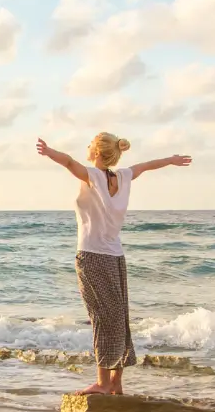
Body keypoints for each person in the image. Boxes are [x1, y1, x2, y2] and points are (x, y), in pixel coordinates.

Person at [36, 133, 192, 395]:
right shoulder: (124, 176)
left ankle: (102, 383)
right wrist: (172, 160)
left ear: (97, 152)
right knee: (118, 317)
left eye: (90, 145)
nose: (86, 148)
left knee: (101, 318)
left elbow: (68, 162)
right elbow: (147, 165)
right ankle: (116, 382)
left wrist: (49, 151)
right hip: (116, 257)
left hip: (91, 256)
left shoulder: (93, 176)